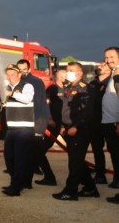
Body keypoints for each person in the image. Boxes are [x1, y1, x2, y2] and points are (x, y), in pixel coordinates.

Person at [52, 62, 98, 201]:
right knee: (77, 160)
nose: (67, 73)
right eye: (67, 70)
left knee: (74, 163)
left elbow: (88, 112)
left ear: (79, 73)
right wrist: (62, 125)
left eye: (71, 70)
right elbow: (65, 109)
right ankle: (90, 188)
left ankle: (70, 191)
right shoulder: (69, 87)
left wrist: (76, 127)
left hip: (80, 130)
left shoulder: (85, 89)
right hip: (68, 128)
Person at [0, 64, 35, 196]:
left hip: (24, 128)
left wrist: (12, 94)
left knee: (20, 158)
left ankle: (16, 187)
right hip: (11, 128)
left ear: (19, 75)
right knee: (9, 158)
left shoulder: (27, 86)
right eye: (8, 74)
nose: (10, 77)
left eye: (13, 74)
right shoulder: (5, 88)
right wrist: (1, 99)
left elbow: (27, 99)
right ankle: (15, 182)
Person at [16, 59, 53, 187]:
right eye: (19, 69)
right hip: (30, 119)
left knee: (34, 151)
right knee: (33, 151)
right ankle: (32, 180)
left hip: (36, 119)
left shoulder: (33, 82)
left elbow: (36, 103)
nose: (21, 71)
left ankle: (45, 178)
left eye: (23, 69)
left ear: (29, 69)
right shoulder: (23, 82)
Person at [88, 62, 111, 184]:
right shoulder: (93, 83)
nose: (99, 67)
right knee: (97, 149)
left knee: (113, 150)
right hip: (95, 122)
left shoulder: (112, 82)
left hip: (109, 120)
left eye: (103, 65)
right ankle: (100, 174)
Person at [101, 46, 119, 204]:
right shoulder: (114, 73)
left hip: (115, 122)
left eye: (112, 57)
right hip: (109, 121)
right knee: (115, 154)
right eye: (106, 57)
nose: (108, 60)